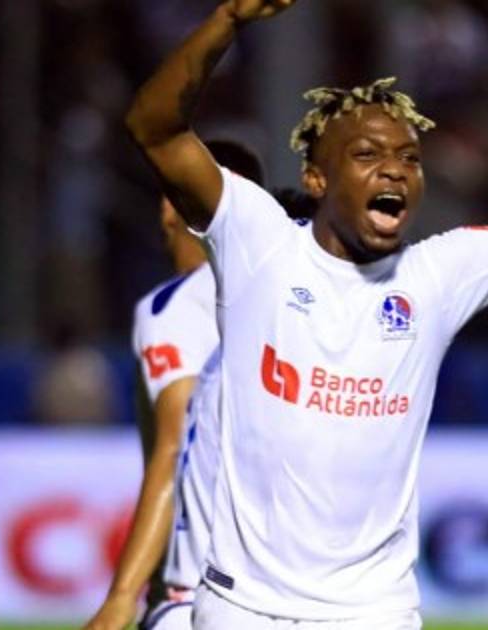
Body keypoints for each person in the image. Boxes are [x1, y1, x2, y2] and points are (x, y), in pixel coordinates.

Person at [124, 0, 488, 627]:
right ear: (316, 179)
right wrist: (226, 23)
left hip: (375, 613)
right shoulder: (259, 242)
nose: (395, 169)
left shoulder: (439, 273)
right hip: (244, 610)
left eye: (409, 158)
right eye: (368, 154)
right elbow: (154, 128)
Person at [85, 141, 315, 630]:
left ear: (172, 206)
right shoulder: (308, 291)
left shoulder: (174, 307)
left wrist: (122, 596)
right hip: (306, 588)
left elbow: (173, 451)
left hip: (205, 588)